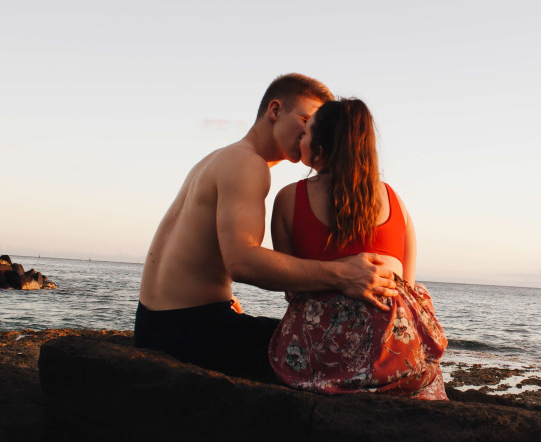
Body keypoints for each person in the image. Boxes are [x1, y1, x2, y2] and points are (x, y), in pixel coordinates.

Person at [135, 74, 398, 381]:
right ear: (275, 111)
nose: (312, 129)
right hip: (189, 332)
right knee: (332, 353)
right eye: (306, 118)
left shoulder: (221, 157)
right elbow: (242, 262)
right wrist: (344, 274)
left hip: (156, 322)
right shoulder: (249, 164)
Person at [268, 98, 448, 400]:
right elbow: (408, 289)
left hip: (317, 360)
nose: (302, 138)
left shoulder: (288, 199)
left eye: (307, 133)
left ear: (320, 151)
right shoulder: (396, 203)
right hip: (394, 360)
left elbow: (291, 288)